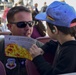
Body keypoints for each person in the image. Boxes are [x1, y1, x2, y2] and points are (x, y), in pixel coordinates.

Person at [29, 1, 76, 75]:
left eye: (47, 26)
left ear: (54, 30)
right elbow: (53, 44)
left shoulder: (71, 53)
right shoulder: (65, 43)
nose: (46, 28)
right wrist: (42, 49)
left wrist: (37, 58)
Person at [0, 6, 43, 75]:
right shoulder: (1, 47)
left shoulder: (41, 47)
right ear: (10, 27)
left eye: (30, 23)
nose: (28, 28)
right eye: (22, 24)